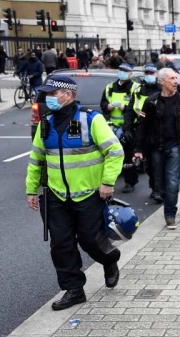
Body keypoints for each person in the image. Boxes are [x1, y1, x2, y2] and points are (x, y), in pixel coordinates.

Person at [25, 75, 124, 310]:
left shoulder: (91, 120)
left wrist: (107, 183)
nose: (47, 98)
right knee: (61, 245)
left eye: (51, 94)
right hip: (56, 195)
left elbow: (114, 151)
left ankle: (109, 260)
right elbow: (36, 159)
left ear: (67, 95)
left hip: (89, 194)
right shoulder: (45, 123)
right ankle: (74, 289)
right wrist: (31, 190)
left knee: (91, 241)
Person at [133, 68, 180, 230]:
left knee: (173, 182)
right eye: (171, 78)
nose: (175, 81)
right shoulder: (151, 101)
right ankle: (165, 198)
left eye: (176, 78)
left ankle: (170, 214)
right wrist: (138, 148)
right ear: (162, 82)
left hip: (176, 147)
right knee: (160, 184)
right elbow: (142, 126)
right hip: (156, 148)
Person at [123, 63, 162, 203]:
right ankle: (131, 182)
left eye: (151, 73)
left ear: (156, 75)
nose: (148, 76)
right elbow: (129, 112)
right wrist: (126, 129)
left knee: (154, 162)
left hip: (155, 130)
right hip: (139, 129)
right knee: (133, 158)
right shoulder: (138, 90)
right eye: (146, 73)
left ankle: (156, 189)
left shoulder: (161, 89)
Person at [100, 63, 141, 193]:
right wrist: (108, 106)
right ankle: (108, 180)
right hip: (112, 127)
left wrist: (126, 109)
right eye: (121, 70)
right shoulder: (110, 87)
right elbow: (103, 102)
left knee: (129, 155)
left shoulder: (136, 87)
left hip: (129, 127)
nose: (122, 73)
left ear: (131, 74)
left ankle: (130, 182)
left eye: (125, 71)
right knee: (111, 155)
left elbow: (139, 106)